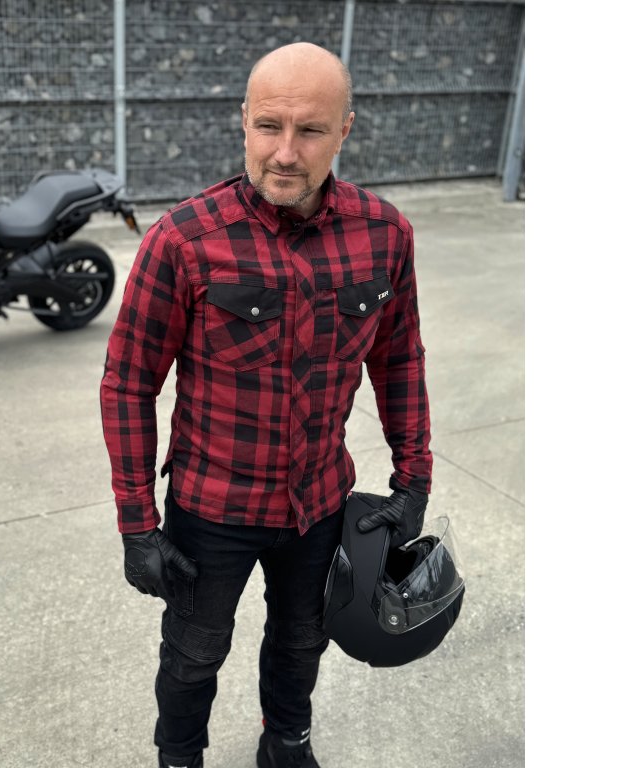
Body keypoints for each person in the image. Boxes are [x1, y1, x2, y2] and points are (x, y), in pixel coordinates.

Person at [99, 42, 432, 768]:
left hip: (320, 505)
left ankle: (285, 743)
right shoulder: (184, 241)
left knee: (302, 640)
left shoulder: (384, 236)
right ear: (243, 121)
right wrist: (137, 524)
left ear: (344, 131)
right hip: (211, 509)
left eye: (310, 130)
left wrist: (414, 481)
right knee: (193, 653)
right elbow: (128, 383)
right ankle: (179, 757)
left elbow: (399, 359)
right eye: (268, 126)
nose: (285, 152)